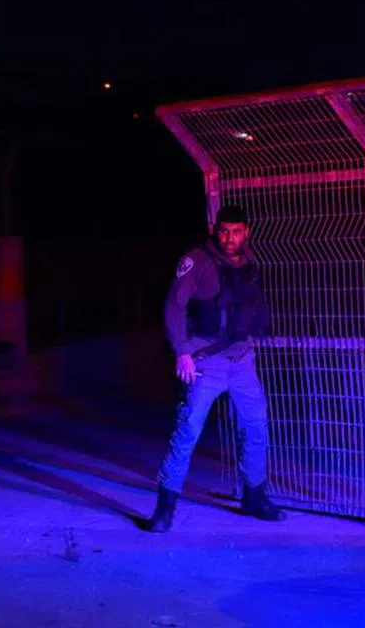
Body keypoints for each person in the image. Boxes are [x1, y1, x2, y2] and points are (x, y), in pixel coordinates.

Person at [145, 204, 286, 532]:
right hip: (206, 360)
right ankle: (165, 507)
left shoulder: (248, 261)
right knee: (188, 431)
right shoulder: (198, 260)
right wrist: (182, 352)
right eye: (224, 230)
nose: (230, 237)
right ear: (214, 228)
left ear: (246, 232)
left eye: (237, 231)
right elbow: (174, 307)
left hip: (243, 361)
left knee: (255, 426)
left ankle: (254, 496)